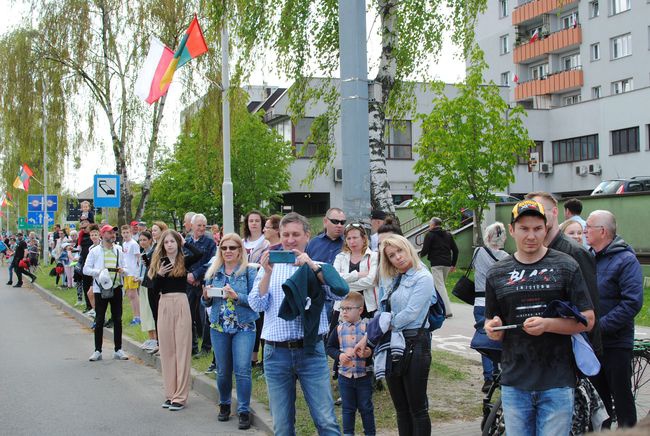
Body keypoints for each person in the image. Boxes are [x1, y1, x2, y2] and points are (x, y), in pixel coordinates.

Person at [485, 200, 595, 436]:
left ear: (546, 229)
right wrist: (492, 328)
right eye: (524, 228)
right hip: (515, 381)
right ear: (512, 230)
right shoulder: (497, 272)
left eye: (537, 228)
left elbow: (588, 319)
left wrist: (548, 325)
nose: (531, 235)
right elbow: (493, 322)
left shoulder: (566, 265)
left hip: (557, 381)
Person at [249, 212, 348, 435]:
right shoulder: (269, 267)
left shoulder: (319, 265)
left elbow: (339, 293)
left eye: (295, 234)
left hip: (311, 350)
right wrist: (266, 274)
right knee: (282, 426)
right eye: (285, 235)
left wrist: (312, 266)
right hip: (276, 353)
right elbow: (256, 304)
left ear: (307, 236)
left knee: (326, 421)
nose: (290, 240)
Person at [585, 210, 643, 429]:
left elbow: (632, 303)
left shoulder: (626, 260)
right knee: (598, 400)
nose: (584, 230)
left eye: (588, 226)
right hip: (593, 342)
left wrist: (601, 327)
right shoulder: (589, 257)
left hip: (616, 342)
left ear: (602, 231)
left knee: (621, 397)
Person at [526, 192, 602, 356]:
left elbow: (590, 309)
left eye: (540, 212)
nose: (535, 218)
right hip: (539, 350)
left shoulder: (574, 252)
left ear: (554, 212)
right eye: (531, 214)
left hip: (571, 350)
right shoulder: (533, 252)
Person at [372, 234, 434, 435]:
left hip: (415, 342)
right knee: (401, 408)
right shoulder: (394, 278)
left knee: (417, 408)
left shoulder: (423, 276)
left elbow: (410, 313)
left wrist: (385, 325)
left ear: (408, 249)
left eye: (400, 251)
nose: (397, 257)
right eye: (391, 255)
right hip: (394, 343)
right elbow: (383, 308)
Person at [202, 233, 259, 430]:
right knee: (223, 370)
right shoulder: (213, 271)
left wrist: (237, 297)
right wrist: (206, 297)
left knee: (242, 369)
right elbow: (206, 301)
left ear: (239, 250)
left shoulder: (249, 271)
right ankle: (224, 404)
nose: (228, 251)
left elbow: (255, 301)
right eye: (224, 248)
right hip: (219, 326)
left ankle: (243, 409)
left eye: (232, 248)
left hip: (243, 326)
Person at [148, 229, 203, 411]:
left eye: (173, 241)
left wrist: (185, 242)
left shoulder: (183, 260)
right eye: (166, 242)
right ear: (162, 245)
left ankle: (180, 396)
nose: (170, 245)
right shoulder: (157, 263)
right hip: (164, 304)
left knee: (182, 349)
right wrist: (160, 274)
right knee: (167, 351)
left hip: (181, 303)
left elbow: (200, 254)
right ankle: (170, 394)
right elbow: (153, 290)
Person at [326, 291, 376, 436]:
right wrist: (339, 355)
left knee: (366, 407)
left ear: (360, 310)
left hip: (364, 376)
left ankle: (370, 433)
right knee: (347, 408)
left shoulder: (368, 328)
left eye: (348, 308)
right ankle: (348, 433)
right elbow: (329, 347)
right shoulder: (338, 329)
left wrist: (369, 353)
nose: (344, 312)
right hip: (345, 376)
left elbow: (375, 346)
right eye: (342, 309)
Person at [471, 222, 508, 393]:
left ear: (487, 236)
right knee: (496, 337)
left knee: (484, 337)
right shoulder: (506, 257)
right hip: (497, 302)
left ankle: (488, 377)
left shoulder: (478, 252)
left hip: (479, 301)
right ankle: (498, 373)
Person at [84, 225, 129, 362]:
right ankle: (98, 350)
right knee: (99, 319)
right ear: (103, 235)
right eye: (110, 233)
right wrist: (99, 272)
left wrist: (123, 270)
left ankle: (118, 349)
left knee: (117, 319)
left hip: (116, 286)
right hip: (100, 288)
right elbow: (86, 269)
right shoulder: (95, 251)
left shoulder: (119, 250)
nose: (113, 235)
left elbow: (127, 267)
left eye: (114, 233)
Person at [185, 213, 216, 357]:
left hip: (204, 282)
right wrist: (188, 275)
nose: (202, 228)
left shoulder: (210, 243)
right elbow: (182, 261)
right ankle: (192, 347)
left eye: (204, 225)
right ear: (192, 226)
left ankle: (206, 348)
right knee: (189, 316)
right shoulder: (186, 241)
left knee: (206, 317)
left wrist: (196, 275)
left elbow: (211, 263)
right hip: (189, 284)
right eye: (199, 225)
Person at [333, 223, 378, 319]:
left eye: (355, 237)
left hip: (367, 307)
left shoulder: (374, 256)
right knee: (339, 333)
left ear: (363, 238)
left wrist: (343, 286)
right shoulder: (340, 257)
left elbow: (371, 281)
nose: (352, 241)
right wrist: (357, 275)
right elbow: (335, 280)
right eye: (348, 238)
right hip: (342, 308)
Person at [419, 217, 458, 318]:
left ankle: (447, 311)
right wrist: (453, 264)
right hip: (447, 264)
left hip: (436, 264)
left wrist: (417, 257)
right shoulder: (448, 235)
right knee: (441, 286)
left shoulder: (430, 235)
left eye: (429, 224)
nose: (429, 226)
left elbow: (425, 250)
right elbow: (456, 250)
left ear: (433, 225)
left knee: (440, 287)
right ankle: (438, 307)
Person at [137, 231, 158, 353]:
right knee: (145, 311)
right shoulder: (143, 253)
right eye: (140, 240)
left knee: (150, 311)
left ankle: (154, 338)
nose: (142, 242)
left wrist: (140, 278)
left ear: (150, 240)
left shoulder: (152, 253)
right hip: (142, 284)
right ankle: (150, 337)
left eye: (145, 239)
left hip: (149, 284)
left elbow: (149, 270)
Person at [120, 225, 141, 326]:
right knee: (129, 295)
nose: (125, 235)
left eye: (127, 232)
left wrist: (138, 273)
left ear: (131, 232)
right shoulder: (124, 244)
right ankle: (135, 315)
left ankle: (138, 316)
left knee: (134, 294)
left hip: (133, 272)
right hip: (126, 272)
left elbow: (138, 258)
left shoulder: (134, 244)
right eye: (124, 233)